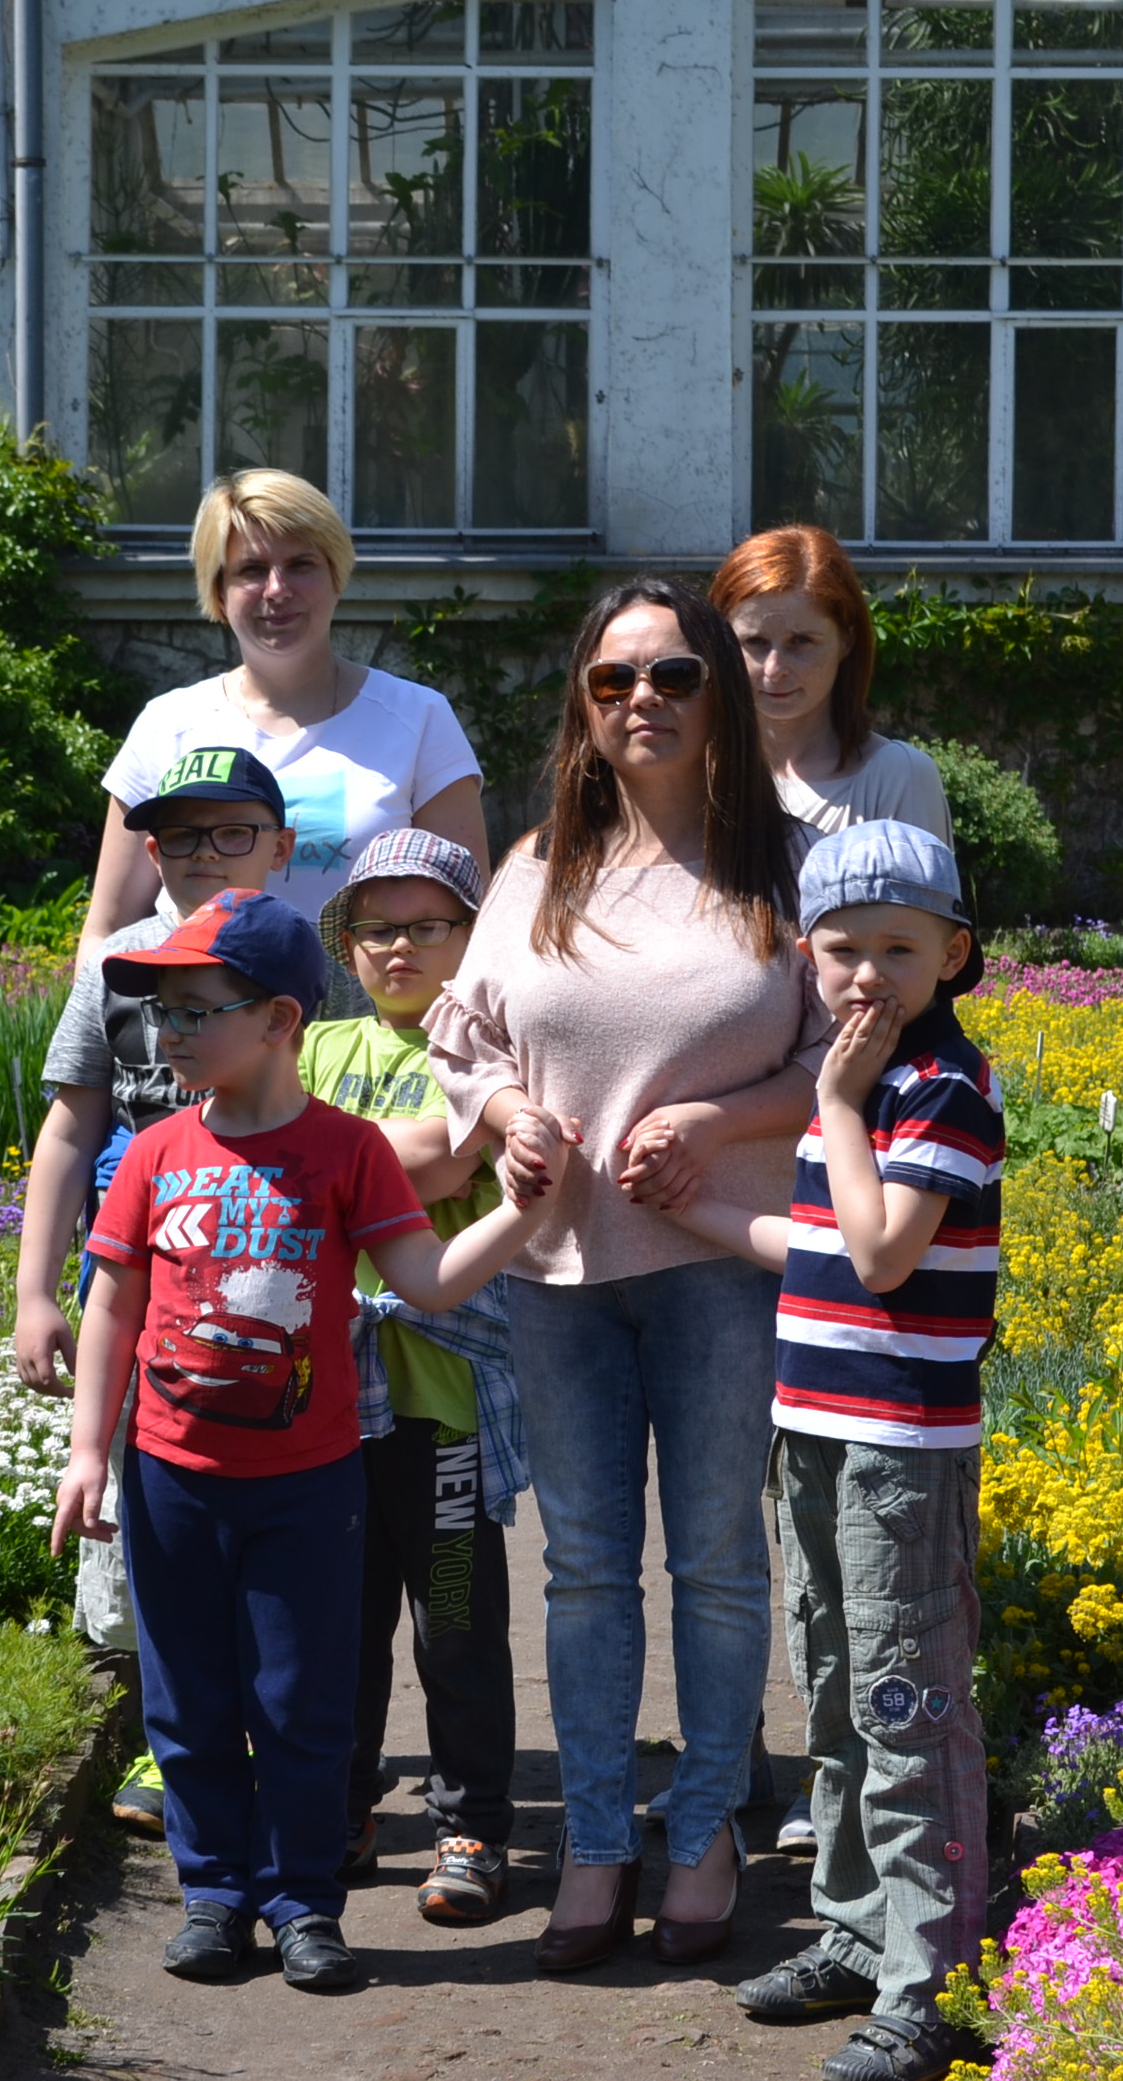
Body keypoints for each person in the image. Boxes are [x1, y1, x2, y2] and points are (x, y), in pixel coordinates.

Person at [46, 889, 576, 1997]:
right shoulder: (152, 1153)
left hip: (310, 1483)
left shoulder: (346, 1152)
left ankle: (300, 1904)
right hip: (171, 1479)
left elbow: (425, 1278)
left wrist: (523, 1212)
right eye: (160, 1013)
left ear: (280, 1018)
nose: (168, 1033)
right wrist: (90, 1451)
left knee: (302, 1704)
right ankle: (213, 1897)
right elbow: (114, 1304)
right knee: (189, 1701)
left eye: (196, 1010)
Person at [422, 576, 828, 1976]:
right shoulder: (539, 868)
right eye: (611, 681)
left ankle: (705, 1829)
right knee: (586, 1571)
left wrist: (716, 1123)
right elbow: (463, 1036)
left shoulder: (787, 865)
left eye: (670, 674)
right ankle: (597, 1842)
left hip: (723, 1265)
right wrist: (504, 1117)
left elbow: (845, 1052)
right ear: (583, 708)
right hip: (559, 1272)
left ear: (719, 688)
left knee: (716, 1563)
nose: (641, 699)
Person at [665, 819, 1000, 2081]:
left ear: (953, 954)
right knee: (834, 1688)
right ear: (806, 954)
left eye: (898, 951)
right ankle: (860, 1933)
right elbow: (819, 1252)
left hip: (900, 1450)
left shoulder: (940, 1087)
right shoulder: (860, 1095)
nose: (868, 976)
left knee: (906, 1702)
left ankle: (934, 1979)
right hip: (814, 1430)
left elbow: (882, 1253)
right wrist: (698, 1206)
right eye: (843, 949)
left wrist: (840, 1104)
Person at [15, 745, 298, 1835]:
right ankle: (166, 1733)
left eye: (232, 832)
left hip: (265, 1266)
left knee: (261, 1494)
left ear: (279, 847)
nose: (204, 853)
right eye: (180, 835)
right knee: (139, 1502)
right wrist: (36, 1290)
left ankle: (276, 1735)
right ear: (150, 849)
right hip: (134, 1271)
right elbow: (70, 1124)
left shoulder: (299, 960)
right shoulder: (118, 965)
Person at [300, 830, 524, 1926]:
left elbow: (449, 1154)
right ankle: (339, 1809)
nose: (399, 947)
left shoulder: (491, 1053)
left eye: (428, 925)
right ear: (346, 945)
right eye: (375, 928)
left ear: (474, 937)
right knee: (336, 1625)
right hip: (323, 1404)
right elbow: (335, 1161)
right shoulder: (310, 1045)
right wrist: (409, 1151)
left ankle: (472, 1820)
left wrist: (344, 1161)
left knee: (455, 1623)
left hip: (443, 1403)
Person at [79, 469, 489, 965]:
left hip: (372, 1015)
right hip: (194, 1012)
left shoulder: (419, 719)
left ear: (336, 576)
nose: (277, 589)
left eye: (300, 565)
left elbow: (472, 926)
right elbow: (108, 929)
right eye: (251, 570)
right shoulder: (167, 725)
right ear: (219, 591)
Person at [713, 525, 953, 840]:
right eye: (755, 642)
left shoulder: (898, 777)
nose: (774, 669)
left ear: (846, 640)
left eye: (801, 641)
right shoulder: (693, 774)